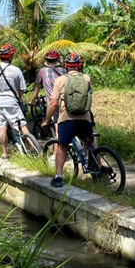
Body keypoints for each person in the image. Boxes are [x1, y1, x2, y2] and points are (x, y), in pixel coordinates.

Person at [42, 52, 93, 188]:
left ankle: (58, 176)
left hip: (66, 118)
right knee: (91, 142)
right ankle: (98, 168)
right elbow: (89, 97)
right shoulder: (86, 78)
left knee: (62, 146)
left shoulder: (60, 80)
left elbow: (53, 104)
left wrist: (47, 120)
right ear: (80, 65)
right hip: (85, 117)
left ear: (66, 65)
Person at [0, 44, 31, 160]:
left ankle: (4, 154)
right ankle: (32, 149)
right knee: (21, 125)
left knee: (1, 128)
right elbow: (22, 89)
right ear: (11, 56)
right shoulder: (16, 70)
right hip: (12, 102)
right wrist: (18, 98)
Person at [29, 50, 66, 135]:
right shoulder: (64, 70)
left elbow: (37, 87)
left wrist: (33, 100)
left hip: (53, 102)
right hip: (65, 100)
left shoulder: (42, 71)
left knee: (57, 124)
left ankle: (57, 141)